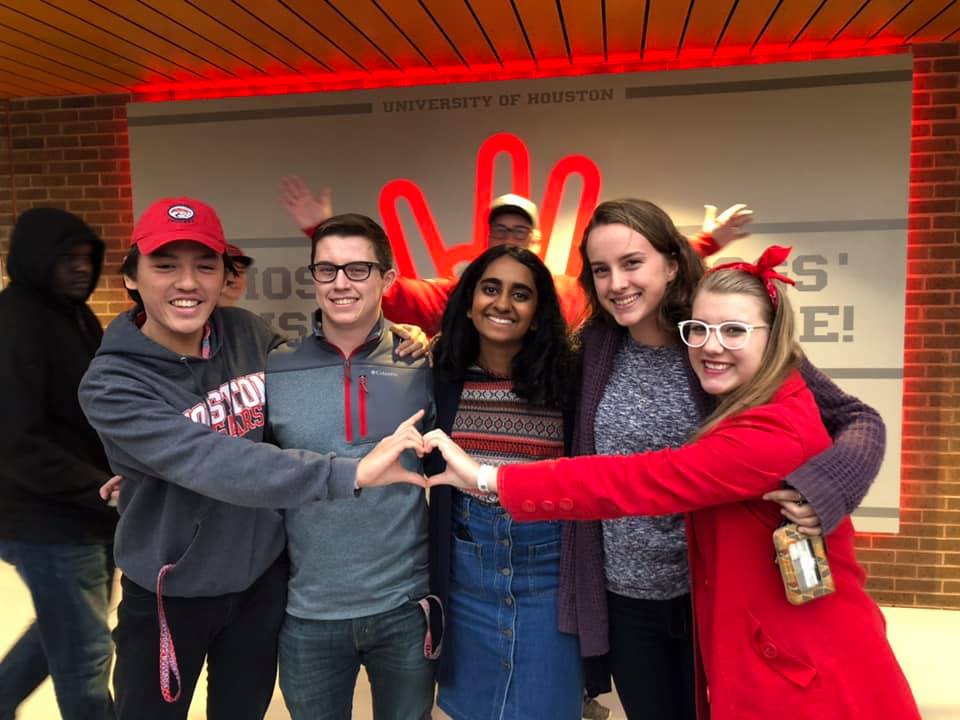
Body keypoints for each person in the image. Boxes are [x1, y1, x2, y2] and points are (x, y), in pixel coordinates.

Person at [424, 246, 921, 720]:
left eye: (633, 262)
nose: (617, 283)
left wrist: (489, 477)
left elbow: (641, 478)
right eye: (600, 269)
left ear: (670, 265)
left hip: (786, 642)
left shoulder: (768, 404)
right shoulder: (611, 345)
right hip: (691, 605)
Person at [78, 197, 426, 720]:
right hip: (170, 594)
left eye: (205, 265)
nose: (187, 283)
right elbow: (211, 460)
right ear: (131, 277)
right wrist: (349, 472)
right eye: (165, 265)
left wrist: (405, 337)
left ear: (224, 276)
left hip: (259, 585)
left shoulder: (247, 334)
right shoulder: (111, 382)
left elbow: (315, 385)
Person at [266, 213, 435, 720]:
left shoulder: (421, 361)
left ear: (387, 278)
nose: (341, 283)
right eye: (327, 270)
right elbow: (231, 453)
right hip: (309, 613)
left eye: (358, 269)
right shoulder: (274, 366)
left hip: (404, 607)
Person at [279, 175, 753, 334]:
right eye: (499, 230)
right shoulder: (463, 294)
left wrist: (705, 244)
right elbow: (398, 294)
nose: (509, 239)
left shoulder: (572, 292)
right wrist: (320, 228)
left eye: (518, 232)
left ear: (537, 239)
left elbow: (639, 268)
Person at [426, 244, 583, 719]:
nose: (502, 303)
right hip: (466, 573)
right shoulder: (439, 374)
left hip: (549, 575)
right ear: (470, 301)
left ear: (537, 314)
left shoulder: (568, 378)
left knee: (547, 708)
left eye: (521, 294)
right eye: (490, 289)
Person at [0, 208, 118, 720]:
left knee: (67, 630)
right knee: (87, 655)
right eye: (66, 259)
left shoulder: (74, 315)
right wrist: (99, 487)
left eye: (86, 258)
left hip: (89, 512)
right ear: (36, 259)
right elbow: (15, 441)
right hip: (45, 521)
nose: (80, 269)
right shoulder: (14, 323)